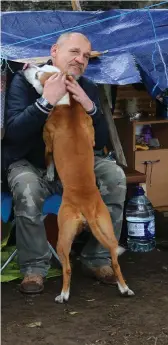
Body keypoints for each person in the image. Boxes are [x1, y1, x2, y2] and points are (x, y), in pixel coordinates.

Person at [2, 32, 127, 294]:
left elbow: (100, 141)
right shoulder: (23, 83)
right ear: (55, 50)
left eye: (85, 56)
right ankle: (34, 268)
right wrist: (46, 101)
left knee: (114, 175)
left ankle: (97, 259)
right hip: (32, 163)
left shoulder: (87, 86)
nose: (81, 60)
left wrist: (88, 105)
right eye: (75, 52)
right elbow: (13, 132)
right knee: (26, 185)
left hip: (76, 166)